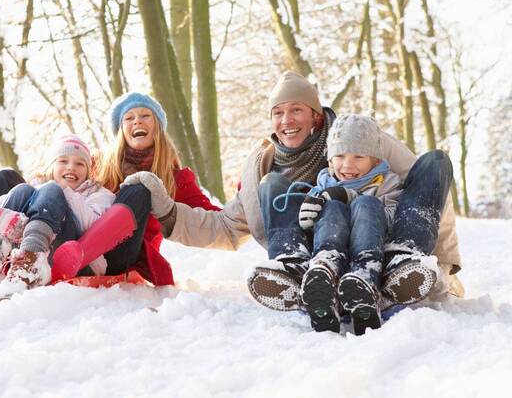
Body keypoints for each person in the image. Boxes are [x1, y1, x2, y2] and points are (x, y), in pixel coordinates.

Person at [124, 71, 463, 312]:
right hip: (317, 258)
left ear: (315, 115)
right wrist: (167, 211)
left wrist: (444, 265)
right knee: (272, 186)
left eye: (296, 110)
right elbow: (225, 228)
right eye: (278, 113)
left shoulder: (358, 139)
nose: (287, 120)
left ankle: (403, 264)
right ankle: (296, 269)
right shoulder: (260, 166)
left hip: (375, 243)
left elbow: (427, 193)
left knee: (434, 162)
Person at [51, 91, 221, 286]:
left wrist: (246, 203)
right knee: (8, 178)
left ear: (157, 126)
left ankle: (78, 257)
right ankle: (21, 257)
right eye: (129, 118)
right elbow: (67, 181)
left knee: (142, 185)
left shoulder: (175, 178)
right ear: (121, 130)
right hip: (76, 240)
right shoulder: (99, 164)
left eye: (145, 116)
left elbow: (212, 220)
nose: (137, 121)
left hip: (122, 255)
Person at [273, 114, 403, 334]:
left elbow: (392, 220)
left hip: (368, 256)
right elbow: (310, 228)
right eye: (340, 156)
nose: (348, 165)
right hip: (333, 252)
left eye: (359, 156)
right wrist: (308, 217)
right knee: (331, 207)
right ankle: (324, 278)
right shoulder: (323, 185)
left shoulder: (387, 184)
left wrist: (350, 196)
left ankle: (364, 284)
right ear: (330, 160)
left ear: (376, 160)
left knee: (366, 203)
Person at [0, 135, 116, 310]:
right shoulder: (35, 187)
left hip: (75, 253)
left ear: (88, 171)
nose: (71, 167)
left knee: (50, 190)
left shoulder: (98, 193)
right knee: (21, 190)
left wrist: (60, 191)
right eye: (63, 161)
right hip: (23, 251)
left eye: (79, 164)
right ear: (52, 166)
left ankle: (32, 263)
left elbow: (92, 226)